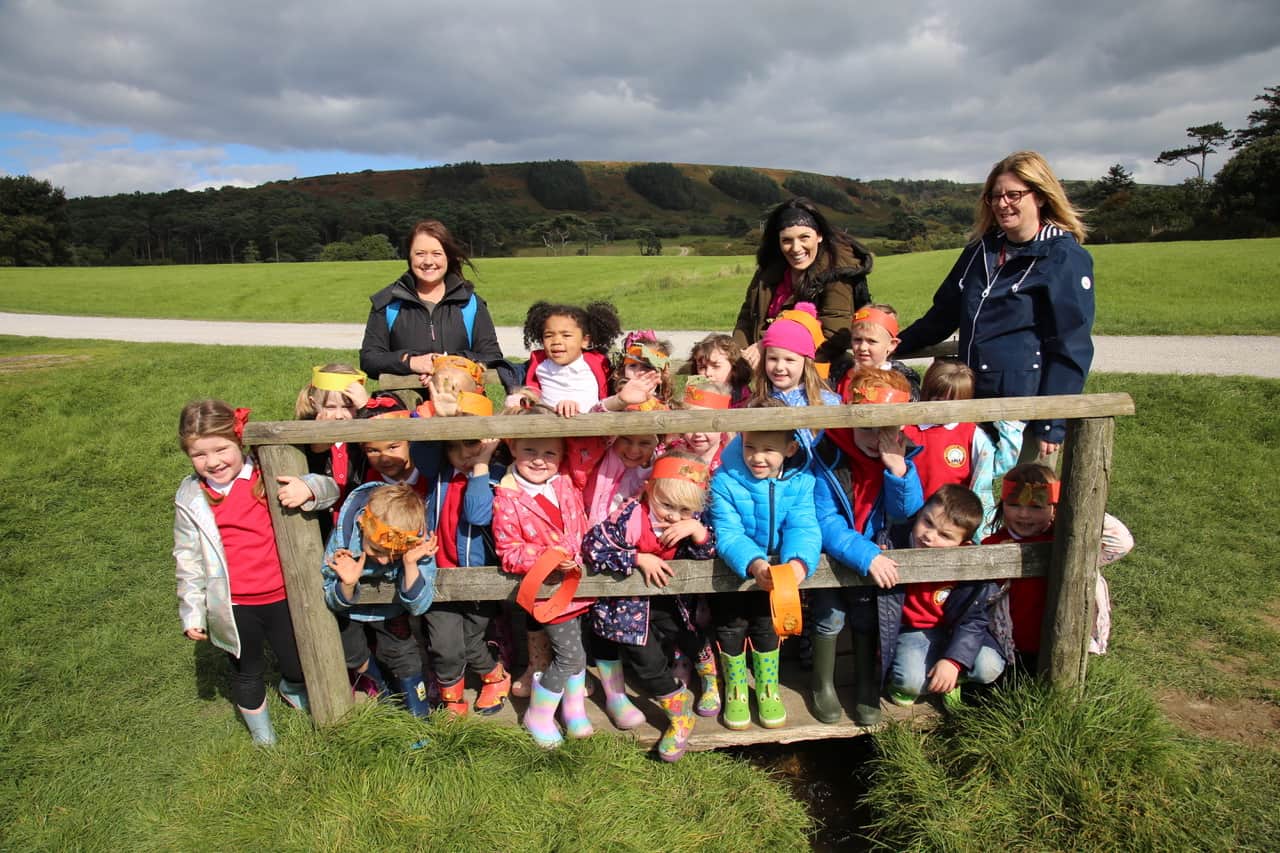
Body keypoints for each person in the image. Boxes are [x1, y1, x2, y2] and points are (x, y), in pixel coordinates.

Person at [895, 151, 1095, 461]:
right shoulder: (981, 250)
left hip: (1023, 408)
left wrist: (1052, 420)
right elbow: (942, 315)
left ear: (1040, 196)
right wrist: (896, 344)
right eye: (995, 196)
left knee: (1022, 499)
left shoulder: (1063, 256)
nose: (1003, 204)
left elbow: (1070, 345)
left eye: (1014, 195)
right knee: (966, 494)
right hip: (970, 398)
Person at [174, 400, 337, 745]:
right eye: (199, 455)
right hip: (233, 605)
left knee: (296, 663)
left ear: (240, 443)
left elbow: (330, 490)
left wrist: (308, 488)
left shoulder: (266, 472)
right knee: (246, 672)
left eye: (221, 449)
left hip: (282, 595)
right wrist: (191, 610)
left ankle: (292, 688)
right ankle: (264, 740)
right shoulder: (191, 495)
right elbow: (187, 558)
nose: (213, 462)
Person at [582, 452, 720, 761]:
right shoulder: (630, 516)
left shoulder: (692, 522)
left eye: (685, 510)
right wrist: (636, 558)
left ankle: (710, 678)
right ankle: (680, 712)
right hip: (632, 609)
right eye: (666, 505)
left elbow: (708, 556)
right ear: (648, 489)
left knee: (690, 636)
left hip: (674, 601)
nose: (673, 516)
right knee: (646, 663)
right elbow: (593, 546)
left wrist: (698, 534)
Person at [810, 368, 925, 725]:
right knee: (829, 616)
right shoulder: (826, 455)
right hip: (835, 555)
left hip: (877, 552)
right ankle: (822, 684)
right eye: (868, 427)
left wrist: (897, 470)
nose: (877, 438)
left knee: (865, 617)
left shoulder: (897, 456)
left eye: (887, 429)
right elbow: (825, 521)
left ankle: (864, 684)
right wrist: (866, 555)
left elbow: (905, 512)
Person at [709, 401, 822, 730]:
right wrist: (754, 563)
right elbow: (728, 532)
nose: (757, 457)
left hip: (778, 572)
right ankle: (735, 687)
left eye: (769, 449)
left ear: (789, 449)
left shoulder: (802, 481)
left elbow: (803, 526)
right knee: (731, 625)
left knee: (767, 626)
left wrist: (798, 563)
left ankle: (768, 688)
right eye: (750, 446)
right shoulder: (725, 480)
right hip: (736, 567)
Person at [491, 413, 594, 748]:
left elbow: (587, 447)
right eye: (529, 450)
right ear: (512, 449)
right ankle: (538, 713)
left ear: (562, 455)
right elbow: (508, 551)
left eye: (550, 453)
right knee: (570, 655)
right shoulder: (508, 497)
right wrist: (548, 558)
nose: (539, 460)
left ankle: (574, 708)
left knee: (575, 648)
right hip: (547, 591)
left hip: (577, 585)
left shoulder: (566, 480)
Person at [982, 463, 1132, 672]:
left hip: (1062, 644)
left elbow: (1121, 543)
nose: (1024, 514)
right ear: (1002, 504)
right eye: (1014, 504)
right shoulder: (994, 544)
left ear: (1054, 507)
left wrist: (1072, 502)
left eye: (1036, 506)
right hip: (1012, 646)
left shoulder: (1072, 543)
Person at [322, 483, 439, 717]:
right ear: (361, 526)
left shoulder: (417, 542)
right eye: (377, 550)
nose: (385, 561)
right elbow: (330, 596)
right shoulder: (344, 538)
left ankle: (420, 719)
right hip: (350, 611)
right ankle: (383, 688)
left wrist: (409, 563)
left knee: (405, 658)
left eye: (394, 554)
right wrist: (347, 583)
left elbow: (419, 606)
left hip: (392, 609)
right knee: (352, 654)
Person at [885, 485, 1007, 708]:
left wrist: (954, 661)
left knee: (989, 666)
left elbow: (974, 619)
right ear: (919, 514)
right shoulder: (895, 544)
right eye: (927, 522)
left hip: (955, 629)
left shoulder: (970, 566)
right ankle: (913, 680)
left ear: (964, 545)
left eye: (945, 535)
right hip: (914, 630)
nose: (930, 536)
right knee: (911, 683)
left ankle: (950, 678)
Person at [359, 219, 511, 390]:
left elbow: (492, 356)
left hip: (462, 407)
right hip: (404, 410)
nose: (428, 261)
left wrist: (447, 363)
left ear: (448, 256)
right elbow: (369, 359)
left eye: (437, 253)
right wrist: (412, 362)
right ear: (409, 256)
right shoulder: (388, 302)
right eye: (420, 253)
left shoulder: (470, 303)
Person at [732, 197, 874, 372]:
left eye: (804, 237)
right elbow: (747, 318)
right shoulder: (768, 270)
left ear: (819, 235)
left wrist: (768, 344)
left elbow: (834, 335)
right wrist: (738, 355)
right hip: (768, 370)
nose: (796, 248)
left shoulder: (837, 272)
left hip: (816, 374)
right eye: (787, 240)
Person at [423, 436, 511, 716]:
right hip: (437, 574)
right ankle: (452, 698)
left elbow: (477, 514)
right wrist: (439, 411)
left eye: (471, 444)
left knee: (473, 641)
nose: (462, 454)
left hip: (477, 578)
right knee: (444, 645)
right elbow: (420, 447)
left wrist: (482, 463)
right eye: (452, 446)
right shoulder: (439, 473)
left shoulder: (497, 476)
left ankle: (493, 674)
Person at [903, 359, 1021, 536]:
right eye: (937, 400)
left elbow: (996, 466)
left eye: (952, 402)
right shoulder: (909, 430)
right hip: (913, 515)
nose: (943, 408)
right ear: (927, 394)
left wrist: (1008, 426)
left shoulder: (971, 433)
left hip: (955, 521)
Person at [506, 300, 623, 417]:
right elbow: (534, 388)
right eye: (548, 336)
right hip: (548, 426)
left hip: (590, 426)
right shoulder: (540, 363)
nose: (556, 341)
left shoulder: (597, 362)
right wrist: (523, 397)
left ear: (585, 341)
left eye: (566, 335)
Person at [295, 363, 369, 538]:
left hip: (358, 531)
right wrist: (318, 448)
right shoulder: (302, 439)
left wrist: (367, 410)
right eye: (330, 407)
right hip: (319, 529)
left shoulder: (363, 439)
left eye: (348, 407)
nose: (339, 415)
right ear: (315, 405)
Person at [688, 333, 752, 406]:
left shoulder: (742, 395)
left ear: (734, 368)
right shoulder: (695, 390)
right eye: (702, 367)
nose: (708, 373)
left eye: (716, 366)